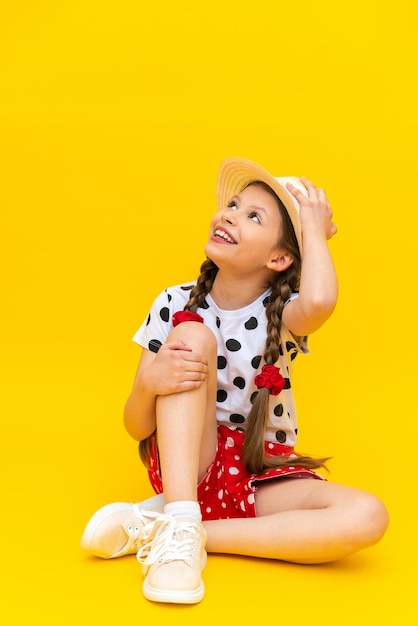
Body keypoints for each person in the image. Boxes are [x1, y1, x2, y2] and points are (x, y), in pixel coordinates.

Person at [81, 157, 389, 605]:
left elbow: (320, 299)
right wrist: (151, 383)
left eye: (253, 216)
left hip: (258, 471)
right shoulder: (172, 303)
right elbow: (135, 426)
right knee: (191, 336)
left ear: (279, 257)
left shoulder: (283, 316)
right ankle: (181, 519)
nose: (229, 214)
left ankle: (177, 528)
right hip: (193, 465)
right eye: (232, 204)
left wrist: (314, 231)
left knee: (367, 516)